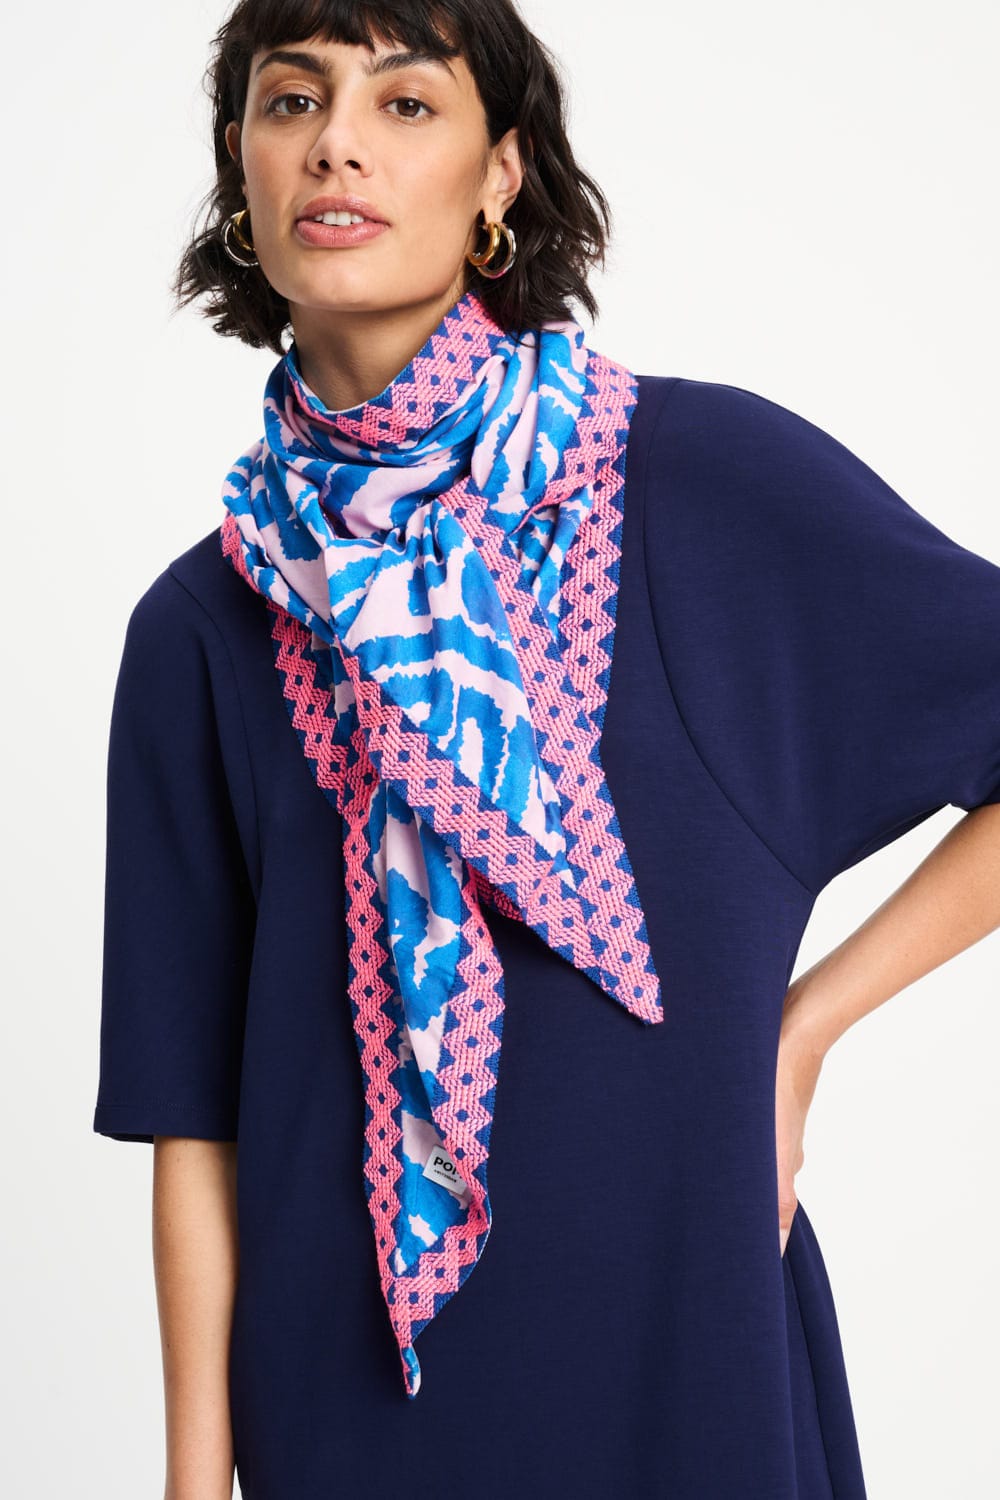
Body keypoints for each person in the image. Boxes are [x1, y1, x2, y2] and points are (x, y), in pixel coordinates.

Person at [91, 2, 1000, 1497]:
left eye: (404, 105)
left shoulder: (701, 487)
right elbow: (193, 1116)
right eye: (291, 100)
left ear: (500, 176)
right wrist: (194, 1486)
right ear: (240, 166)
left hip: (683, 1367)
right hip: (346, 1405)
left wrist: (802, 1032)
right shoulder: (203, 624)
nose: (336, 144)